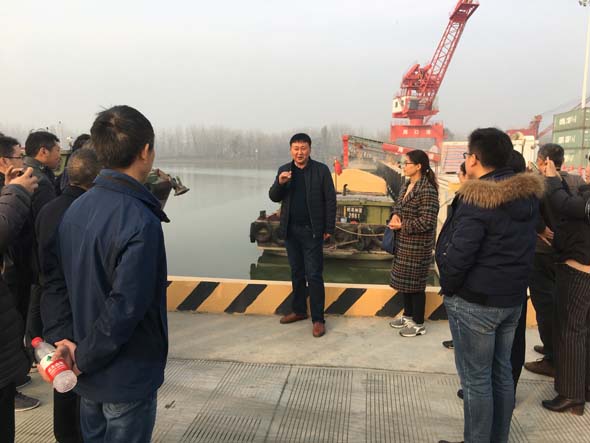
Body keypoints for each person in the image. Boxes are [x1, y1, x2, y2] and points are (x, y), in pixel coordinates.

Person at [44, 106, 169, 443]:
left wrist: (67, 344)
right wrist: (83, 357)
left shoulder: (77, 208)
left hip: (87, 371)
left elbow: (56, 283)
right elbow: (125, 307)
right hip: (125, 374)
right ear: (145, 151)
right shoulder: (140, 220)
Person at [435, 128, 543, 443]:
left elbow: (459, 255)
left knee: (476, 381)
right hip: (511, 299)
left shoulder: (478, 199)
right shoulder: (527, 196)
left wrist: (450, 287)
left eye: (467, 155)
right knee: (501, 374)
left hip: (476, 303)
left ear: (475, 159)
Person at [37, 148, 101, 443]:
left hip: (54, 311)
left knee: (63, 384)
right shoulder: (89, 213)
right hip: (82, 313)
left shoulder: (48, 210)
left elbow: (40, 270)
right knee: (86, 390)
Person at [525, 144, 585, 379]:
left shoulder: (538, 182)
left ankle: (551, 357)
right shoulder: (577, 181)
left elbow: (528, 212)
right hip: (569, 255)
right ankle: (557, 348)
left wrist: (540, 229)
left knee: (544, 306)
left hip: (541, 253)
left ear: (543, 161)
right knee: (563, 306)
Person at [269, 133, 336, 338]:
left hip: (312, 231)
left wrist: (329, 228)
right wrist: (280, 183)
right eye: (296, 148)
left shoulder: (321, 170)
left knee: (314, 274)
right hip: (290, 230)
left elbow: (330, 200)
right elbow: (273, 197)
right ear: (291, 150)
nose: (300, 152)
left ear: (309, 149)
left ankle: (318, 319)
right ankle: (299, 311)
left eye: (303, 148)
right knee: (296, 272)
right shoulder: (284, 170)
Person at [541, 159, 590, 415]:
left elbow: (565, 204)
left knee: (571, 331)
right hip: (580, 269)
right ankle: (584, 387)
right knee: (583, 331)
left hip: (579, 272)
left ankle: (571, 395)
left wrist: (551, 179)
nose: (588, 170)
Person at [0, 136, 41, 412]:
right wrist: (16, 192)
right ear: (4, 160)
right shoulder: (16, 190)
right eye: (18, 157)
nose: (23, 163)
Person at [388, 150, 439, 337]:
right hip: (404, 243)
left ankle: (418, 324)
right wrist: (395, 215)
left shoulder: (427, 190)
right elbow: (398, 205)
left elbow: (428, 221)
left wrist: (403, 225)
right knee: (405, 283)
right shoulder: (407, 184)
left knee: (416, 285)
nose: (404, 166)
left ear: (418, 166)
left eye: (407, 163)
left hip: (418, 246)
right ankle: (408, 316)